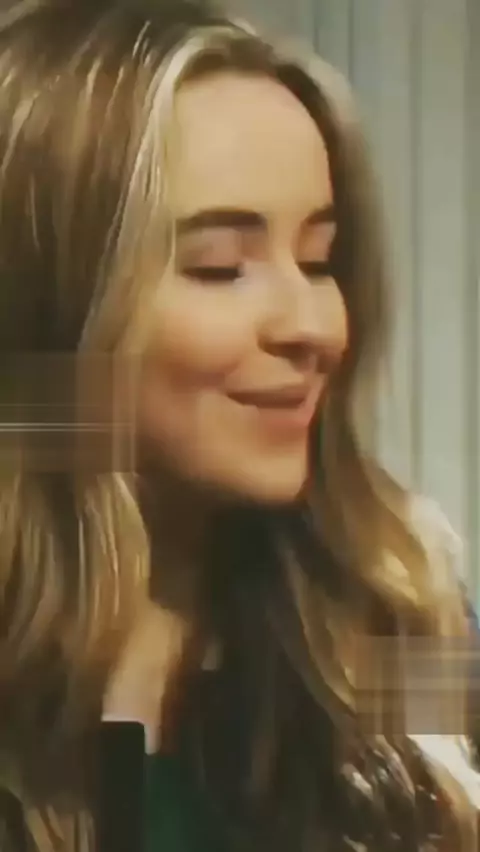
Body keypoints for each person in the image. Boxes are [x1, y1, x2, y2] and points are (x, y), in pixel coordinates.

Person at [0, 0, 478, 849]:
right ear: (54, 310)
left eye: (319, 260)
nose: (313, 326)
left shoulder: (397, 616)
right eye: (220, 267)